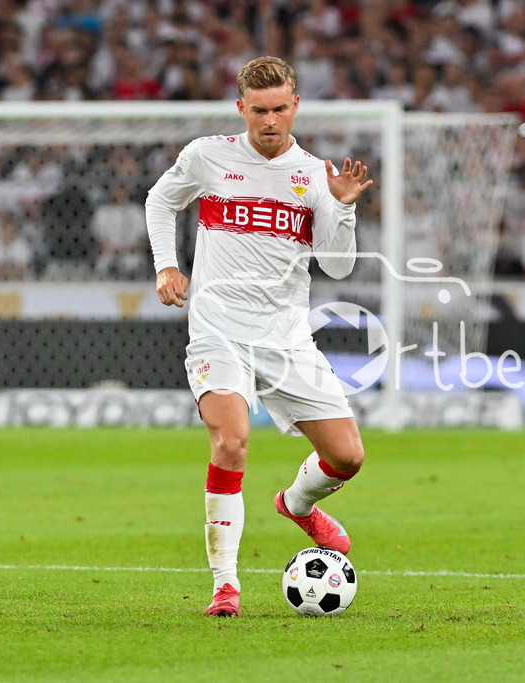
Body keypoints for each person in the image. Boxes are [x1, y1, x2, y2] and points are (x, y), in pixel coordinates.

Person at [145, 57, 373, 618]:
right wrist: (166, 267)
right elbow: (160, 200)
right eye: (259, 111)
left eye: (279, 109)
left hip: (287, 337)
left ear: (295, 106)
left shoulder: (317, 175)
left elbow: (339, 268)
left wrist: (341, 208)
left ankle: (296, 505)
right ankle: (226, 585)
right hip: (219, 330)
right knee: (231, 442)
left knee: (346, 457)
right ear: (241, 108)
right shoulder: (208, 155)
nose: (269, 121)